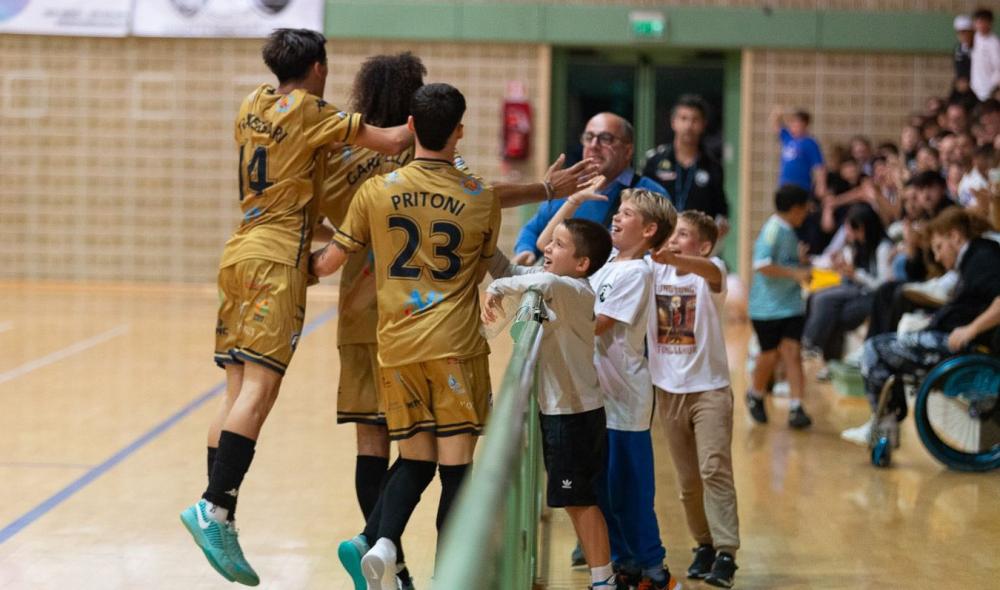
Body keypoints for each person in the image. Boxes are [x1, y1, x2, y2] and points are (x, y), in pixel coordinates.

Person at [179, 29, 411, 586]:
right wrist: (437, 119)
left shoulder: (252, 103)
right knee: (260, 389)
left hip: (239, 250)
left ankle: (221, 512)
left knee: (236, 390)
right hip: (278, 258)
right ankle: (215, 507)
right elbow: (393, 136)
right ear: (317, 68)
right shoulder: (310, 109)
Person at [311, 83, 498, 590]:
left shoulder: (375, 192)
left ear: (410, 127)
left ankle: (385, 544)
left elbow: (329, 262)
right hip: (456, 348)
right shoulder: (481, 198)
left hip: (395, 351)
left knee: (414, 461)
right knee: (456, 472)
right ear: (459, 130)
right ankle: (449, 578)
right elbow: (483, 270)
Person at [483, 218, 620, 589]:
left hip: (573, 414)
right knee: (578, 500)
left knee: (580, 502)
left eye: (559, 245)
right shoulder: (565, 286)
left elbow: (541, 281)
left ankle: (603, 579)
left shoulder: (574, 290)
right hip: (566, 411)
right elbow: (524, 273)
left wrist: (496, 287)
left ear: (581, 264)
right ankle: (603, 576)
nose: (548, 248)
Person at [568, 188, 679, 589]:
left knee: (630, 490)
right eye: (618, 210)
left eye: (627, 213)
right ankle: (625, 564)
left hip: (626, 400)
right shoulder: (610, 263)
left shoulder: (638, 272)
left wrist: (550, 316)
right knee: (603, 488)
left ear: (649, 230)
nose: (615, 216)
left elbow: (596, 323)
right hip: (599, 397)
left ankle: (655, 568)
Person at [853, 207, 1000, 447]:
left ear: (955, 236)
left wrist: (971, 329)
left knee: (874, 350)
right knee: (885, 343)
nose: (938, 257)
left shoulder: (983, 255)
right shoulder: (973, 258)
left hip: (965, 344)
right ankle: (884, 424)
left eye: (939, 247)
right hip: (951, 337)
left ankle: (883, 428)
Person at [649, 211, 740, 589]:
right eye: (671, 234)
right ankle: (702, 544)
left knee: (713, 468)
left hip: (709, 389)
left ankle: (726, 551)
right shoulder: (655, 272)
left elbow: (712, 271)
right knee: (688, 482)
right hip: (668, 391)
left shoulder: (710, 273)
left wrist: (674, 257)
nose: (673, 240)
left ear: (703, 246)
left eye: (682, 234)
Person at [513, 112, 667, 264]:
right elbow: (533, 229)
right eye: (589, 137)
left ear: (627, 151)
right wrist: (526, 250)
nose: (594, 145)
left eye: (606, 139)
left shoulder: (651, 194)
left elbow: (659, 252)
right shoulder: (568, 187)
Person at [746, 184, 814, 429]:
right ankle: (755, 394)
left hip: (791, 305)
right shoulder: (772, 230)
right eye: (805, 208)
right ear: (796, 209)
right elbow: (762, 265)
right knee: (770, 354)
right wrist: (795, 273)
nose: (807, 212)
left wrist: (801, 261)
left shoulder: (790, 231)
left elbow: (785, 261)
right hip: (767, 307)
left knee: (793, 352)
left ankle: (797, 407)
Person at [803, 205, 893, 368]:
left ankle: (810, 344)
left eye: (852, 229)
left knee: (828, 304)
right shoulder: (859, 246)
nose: (849, 233)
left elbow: (884, 286)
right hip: (858, 290)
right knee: (817, 297)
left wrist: (855, 274)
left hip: (874, 296)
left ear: (864, 227)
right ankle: (828, 360)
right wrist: (845, 270)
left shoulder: (883, 247)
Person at [642, 94, 730, 239]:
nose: (688, 126)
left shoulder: (712, 166)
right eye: (683, 119)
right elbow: (641, 202)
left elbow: (720, 211)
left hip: (694, 244)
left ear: (703, 124)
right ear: (673, 122)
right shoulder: (655, 160)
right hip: (657, 239)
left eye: (695, 120)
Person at [768, 106, 829, 254]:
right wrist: (778, 113)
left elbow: (819, 167)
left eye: (797, 123)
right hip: (785, 188)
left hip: (801, 188)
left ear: (805, 125)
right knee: (784, 220)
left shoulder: (809, 143)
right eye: (792, 123)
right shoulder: (788, 139)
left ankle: (802, 250)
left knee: (799, 220)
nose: (793, 126)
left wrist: (821, 186)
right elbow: (776, 126)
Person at [971, 8, 1000, 102]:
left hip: (989, 89)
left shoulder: (994, 43)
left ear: (990, 23)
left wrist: (994, 87)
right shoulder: (973, 38)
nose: (981, 25)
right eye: (978, 22)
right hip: (974, 87)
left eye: (984, 22)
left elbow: (998, 67)